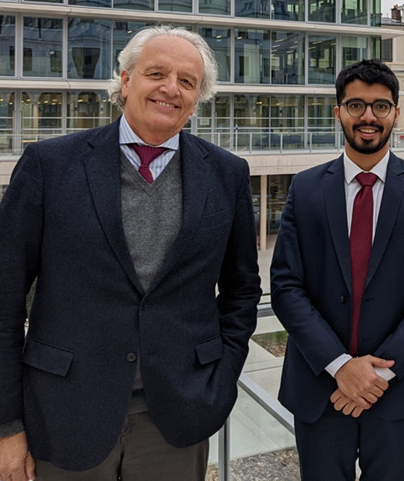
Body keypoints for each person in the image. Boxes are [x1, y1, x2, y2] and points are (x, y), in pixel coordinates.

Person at [0, 26, 261, 481]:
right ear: (124, 81)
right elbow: (4, 297)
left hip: (177, 418)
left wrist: (220, 380)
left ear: (197, 98)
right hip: (62, 414)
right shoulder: (49, 165)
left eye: (187, 81)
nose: (170, 88)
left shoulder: (227, 175)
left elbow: (242, 292)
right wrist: (6, 424)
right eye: (156, 73)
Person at [270, 59, 404, 481]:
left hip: (396, 389)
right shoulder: (305, 188)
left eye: (380, 106)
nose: (368, 117)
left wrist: (377, 374)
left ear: (396, 113)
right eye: (356, 105)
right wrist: (340, 366)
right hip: (321, 389)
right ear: (338, 112)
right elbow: (285, 286)